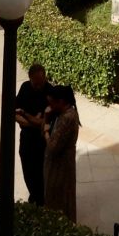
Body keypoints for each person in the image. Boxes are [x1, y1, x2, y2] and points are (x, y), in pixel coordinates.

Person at [42, 84, 79, 221]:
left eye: (52, 102)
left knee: (60, 202)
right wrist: (47, 118)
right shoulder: (61, 114)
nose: (50, 106)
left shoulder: (67, 118)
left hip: (60, 168)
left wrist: (46, 131)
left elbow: (52, 146)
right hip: (60, 166)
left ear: (61, 102)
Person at [14, 62, 49, 204]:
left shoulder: (50, 92)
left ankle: (41, 199)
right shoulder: (25, 87)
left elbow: (43, 123)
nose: (38, 86)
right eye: (35, 83)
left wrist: (25, 116)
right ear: (30, 79)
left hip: (42, 142)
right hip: (27, 138)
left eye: (41, 82)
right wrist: (32, 121)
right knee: (28, 171)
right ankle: (34, 196)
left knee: (41, 173)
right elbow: (14, 113)